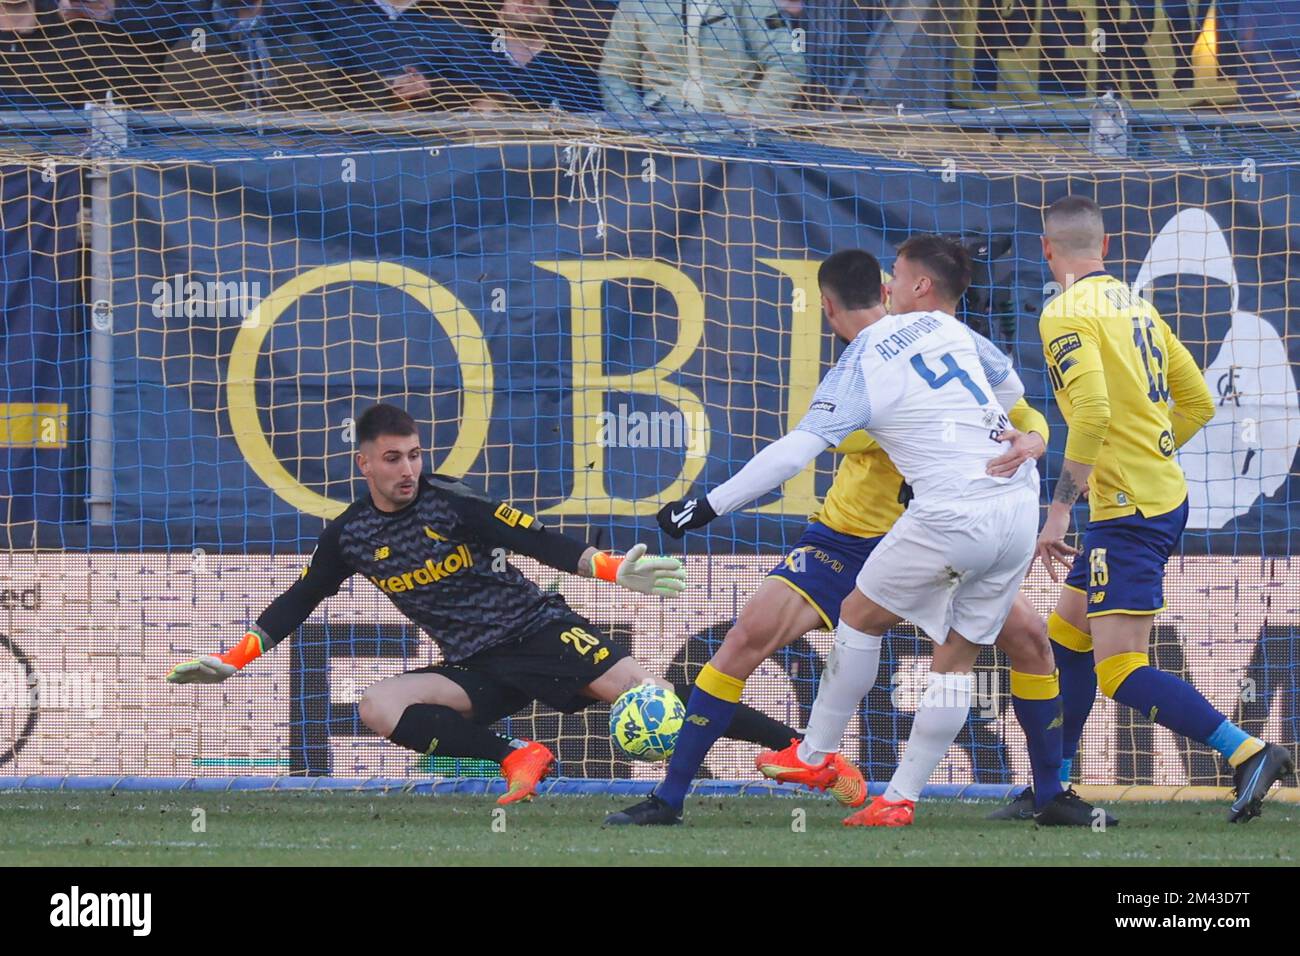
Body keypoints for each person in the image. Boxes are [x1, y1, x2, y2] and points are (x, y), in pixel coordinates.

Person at [608, 246, 1104, 827]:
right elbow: (1011, 408)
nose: (891, 286)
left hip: (931, 536)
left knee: (1029, 643)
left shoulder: (876, 362)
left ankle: (1045, 792)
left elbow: (809, 445)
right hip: (861, 539)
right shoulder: (942, 339)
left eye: (897, 276)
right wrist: (1033, 439)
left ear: (828, 306)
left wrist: (706, 506)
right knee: (747, 639)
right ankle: (670, 797)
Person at [167, 403, 798, 804]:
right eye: (392, 458)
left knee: (652, 701)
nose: (408, 468)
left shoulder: (453, 502)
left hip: (536, 632)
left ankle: (794, 747)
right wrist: (235, 657)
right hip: (474, 666)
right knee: (379, 706)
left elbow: (535, 538)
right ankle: (517, 756)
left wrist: (609, 569)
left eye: (414, 454)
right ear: (364, 464)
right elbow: (300, 598)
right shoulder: (350, 534)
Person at [1034, 195, 1293, 822]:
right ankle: (1053, 791)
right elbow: (1199, 401)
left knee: (1121, 669)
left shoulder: (1065, 313)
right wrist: (1152, 447)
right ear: (1108, 246)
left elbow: (1092, 413)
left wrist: (1061, 510)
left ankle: (1249, 751)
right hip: (1157, 495)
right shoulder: (1139, 307)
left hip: (1128, 509)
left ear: (1049, 251)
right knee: (1067, 635)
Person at [600, 0, 805, 115]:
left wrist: (753, 121)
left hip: (735, 129)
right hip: (663, 131)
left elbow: (789, 64)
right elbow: (614, 73)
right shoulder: (635, 3)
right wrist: (637, 126)